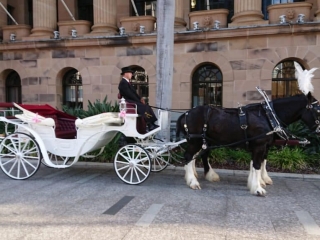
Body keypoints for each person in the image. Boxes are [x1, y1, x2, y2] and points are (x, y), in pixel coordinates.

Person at [118, 66, 159, 131]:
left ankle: (151, 123)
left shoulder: (127, 82)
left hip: (132, 100)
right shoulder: (123, 83)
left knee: (146, 106)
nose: (131, 74)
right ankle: (149, 124)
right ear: (125, 73)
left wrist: (140, 98)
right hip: (129, 101)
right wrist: (138, 101)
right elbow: (130, 94)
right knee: (144, 107)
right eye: (130, 73)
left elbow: (134, 93)